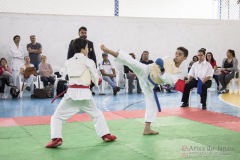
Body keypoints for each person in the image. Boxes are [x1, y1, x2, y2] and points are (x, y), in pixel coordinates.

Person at [46, 38, 116, 148]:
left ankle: (56, 138)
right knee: (97, 114)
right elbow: (95, 78)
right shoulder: (89, 61)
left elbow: (63, 74)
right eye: (87, 47)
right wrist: (98, 81)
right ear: (83, 49)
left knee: (57, 117)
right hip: (85, 95)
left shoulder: (68, 62)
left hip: (71, 95)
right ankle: (106, 135)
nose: (88, 49)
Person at [100, 44, 166, 135]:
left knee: (152, 103)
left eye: (179, 54)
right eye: (177, 54)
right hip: (146, 71)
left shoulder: (171, 72)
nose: (177, 55)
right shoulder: (161, 61)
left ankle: (147, 128)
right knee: (130, 61)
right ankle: (109, 50)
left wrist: (162, 72)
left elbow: (164, 78)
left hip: (148, 84)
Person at [67, 26, 96, 95]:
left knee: (88, 78)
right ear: (78, 33)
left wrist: (95, 66)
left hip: (87, 64)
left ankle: (88, 90)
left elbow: (93, 56)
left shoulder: (90, 43)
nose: (84, 34)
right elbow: (69, 55)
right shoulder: (73, 42)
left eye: (85, 33)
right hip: (77, 64)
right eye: (82, 33)